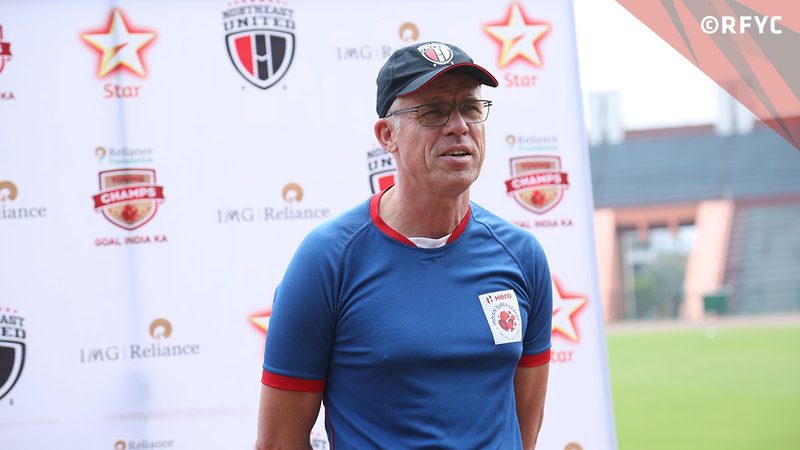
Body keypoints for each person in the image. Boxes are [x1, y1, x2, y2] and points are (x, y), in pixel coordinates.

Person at [255, 41, 553, 450]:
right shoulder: (328, 259)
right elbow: (278, 442)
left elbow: (523, 434)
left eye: (470, 108)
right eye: (433, 111)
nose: (458, 126)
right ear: (387, 135)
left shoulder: (521, 255)